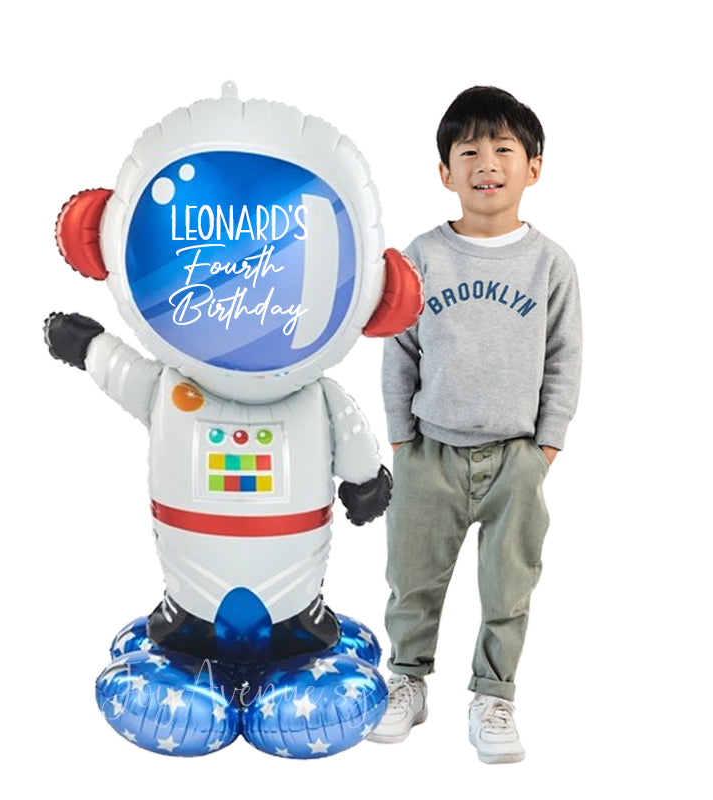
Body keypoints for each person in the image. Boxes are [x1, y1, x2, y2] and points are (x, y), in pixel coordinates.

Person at [368, 86, 582, 764]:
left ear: (533, 167)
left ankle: (494, 695)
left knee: (509, 584)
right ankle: (407, 680)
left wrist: (547, 444)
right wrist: (402, 439)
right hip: (429, 451)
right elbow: (399, 348)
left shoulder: (550, 264)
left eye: (503, 149)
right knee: (411, 577)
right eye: (469, 152)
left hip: (516, 456)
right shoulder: (423, 256)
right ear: (445, 172)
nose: (486, 163)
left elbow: (564, 356)